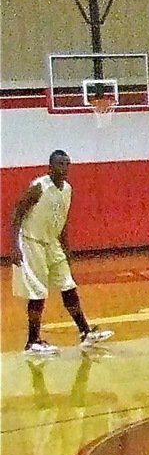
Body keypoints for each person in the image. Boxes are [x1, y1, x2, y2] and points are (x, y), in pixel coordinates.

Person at [10, 150, 113, 357]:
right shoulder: (39, 187)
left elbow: (61, 220)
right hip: (32, 242)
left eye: (67, 164)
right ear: (50, 167)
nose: (64, 168)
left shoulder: (67, 189)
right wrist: (14, 246)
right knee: (38, 291)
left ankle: (85, 333)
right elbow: (18, 212)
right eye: (60, 164)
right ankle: (32, 342)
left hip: (52, 243)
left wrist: (65, 247)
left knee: (68, 284)